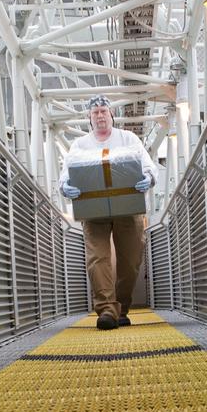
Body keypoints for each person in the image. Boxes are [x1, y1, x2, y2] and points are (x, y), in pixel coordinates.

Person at [59, 96, 157, 330]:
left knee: (131, 259)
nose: (100, 115)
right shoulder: (80, 145)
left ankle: (121, 307)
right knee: (97, 259)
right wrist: (64, 187)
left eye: (104, 111)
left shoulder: (128, 138)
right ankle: (106, 311)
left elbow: (148, 165)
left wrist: (149, 178)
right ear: (89, 118)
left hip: (128, 208)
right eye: (95, 112)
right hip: (93, 211)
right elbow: (65, 173)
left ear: (111, 115)